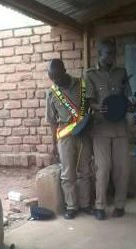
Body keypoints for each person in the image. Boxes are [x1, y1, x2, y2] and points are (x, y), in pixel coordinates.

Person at [85, 39, 133, 220]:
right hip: (100, 128)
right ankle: (100, 206)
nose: (111, 57)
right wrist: (98, 107)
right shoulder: (90, 74)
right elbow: (88, 101)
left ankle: (120, 205)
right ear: (100, 54)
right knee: (103, 169)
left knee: (122, 169)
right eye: (108, 53)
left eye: (113, 53)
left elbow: (128, 97)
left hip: (120, 127)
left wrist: (131, 103)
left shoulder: (122, 72)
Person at [45, 59, 93, 219]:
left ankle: (86, 204)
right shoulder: (52, 93)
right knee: (67, 173)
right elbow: (52, 122)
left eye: (57, 77)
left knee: (86, 171)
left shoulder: (82, 85)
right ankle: (72, 206)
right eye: (52, 78)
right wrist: (53, 145)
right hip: (65, 136)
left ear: (65, 70)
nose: (55, 81)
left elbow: (90, 109)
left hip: (84, 133)